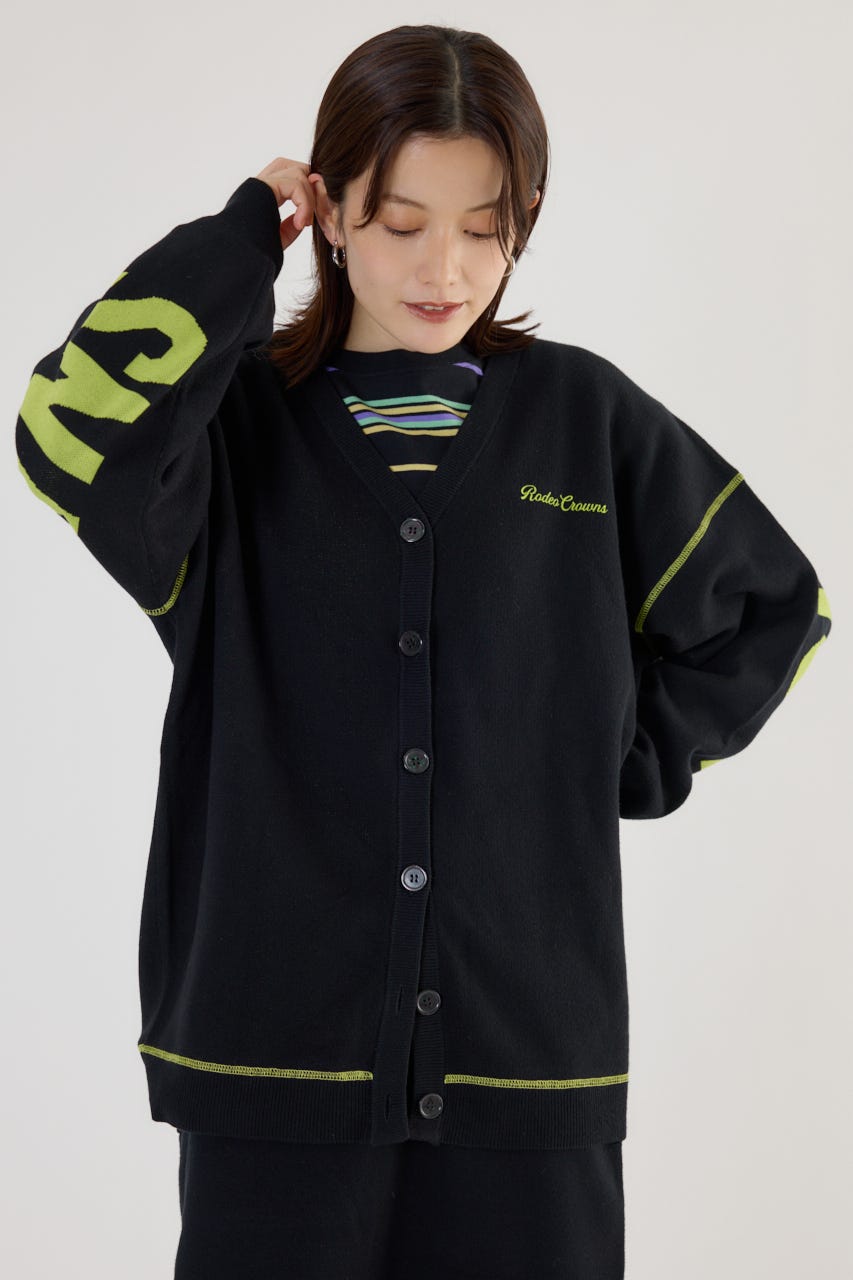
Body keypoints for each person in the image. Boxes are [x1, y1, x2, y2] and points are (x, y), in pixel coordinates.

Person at [13, 22, 831, 1280]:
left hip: (526, 1065)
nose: (444, 268)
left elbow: (770, 604)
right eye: (399, 223)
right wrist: (239, 239)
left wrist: (614, 756)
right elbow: (67, 429)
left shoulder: (583, 420)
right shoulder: (225, 438)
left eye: (485, 227)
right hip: (269, 1063)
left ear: (525, 221)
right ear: (334, 211)